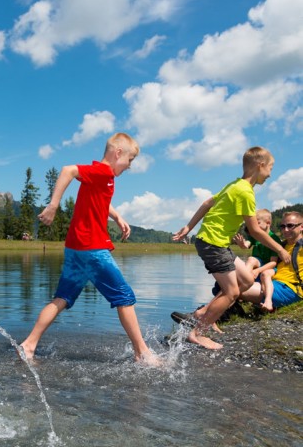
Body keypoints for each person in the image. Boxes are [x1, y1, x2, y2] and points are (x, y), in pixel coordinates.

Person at [19, 132, 160, 366]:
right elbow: (67, 170)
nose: (130, 166)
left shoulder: (103, 177)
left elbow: (100, 200)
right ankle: (142, 353)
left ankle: (29, 345)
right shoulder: (103, 171)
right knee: (124, 297)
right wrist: (53, 205)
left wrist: (116, 216)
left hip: (75, 248)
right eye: (130, 160)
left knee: (62, 298)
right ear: (117, 153)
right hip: (92, 248)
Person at [172, 147, 290, 350]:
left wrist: (189, 227)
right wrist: (280, 249)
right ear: (260, 165)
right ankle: (198, 333)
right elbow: (254, 230)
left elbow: (207, 202)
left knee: (245, 279)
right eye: (270, 168)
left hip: (217, 242)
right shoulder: (245, 192)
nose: (270, 173)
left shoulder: (235, 185)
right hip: (213, 243)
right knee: (232, 292)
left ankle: (203, 313)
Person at [239, 212, 302, 309]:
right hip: (271, 281)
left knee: (233, 288)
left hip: (290, 288)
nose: (286, 229)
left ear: (301, 227)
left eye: (290, 226)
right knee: (229, 280)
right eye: (283, 226)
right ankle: (230, 307)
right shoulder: (282, 245)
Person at [233, 208, 280, 311]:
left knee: (265, 274)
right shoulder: (255, 237)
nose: (253, 226)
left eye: (257, 223)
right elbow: (246, 245)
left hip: (269, 267)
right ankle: (243, 283)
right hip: (258, 264)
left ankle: (268, 301)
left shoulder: (274, 239)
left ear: (268, 223)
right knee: (251, 259)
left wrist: (258, 270)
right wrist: (242, 244)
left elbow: (273, 262)